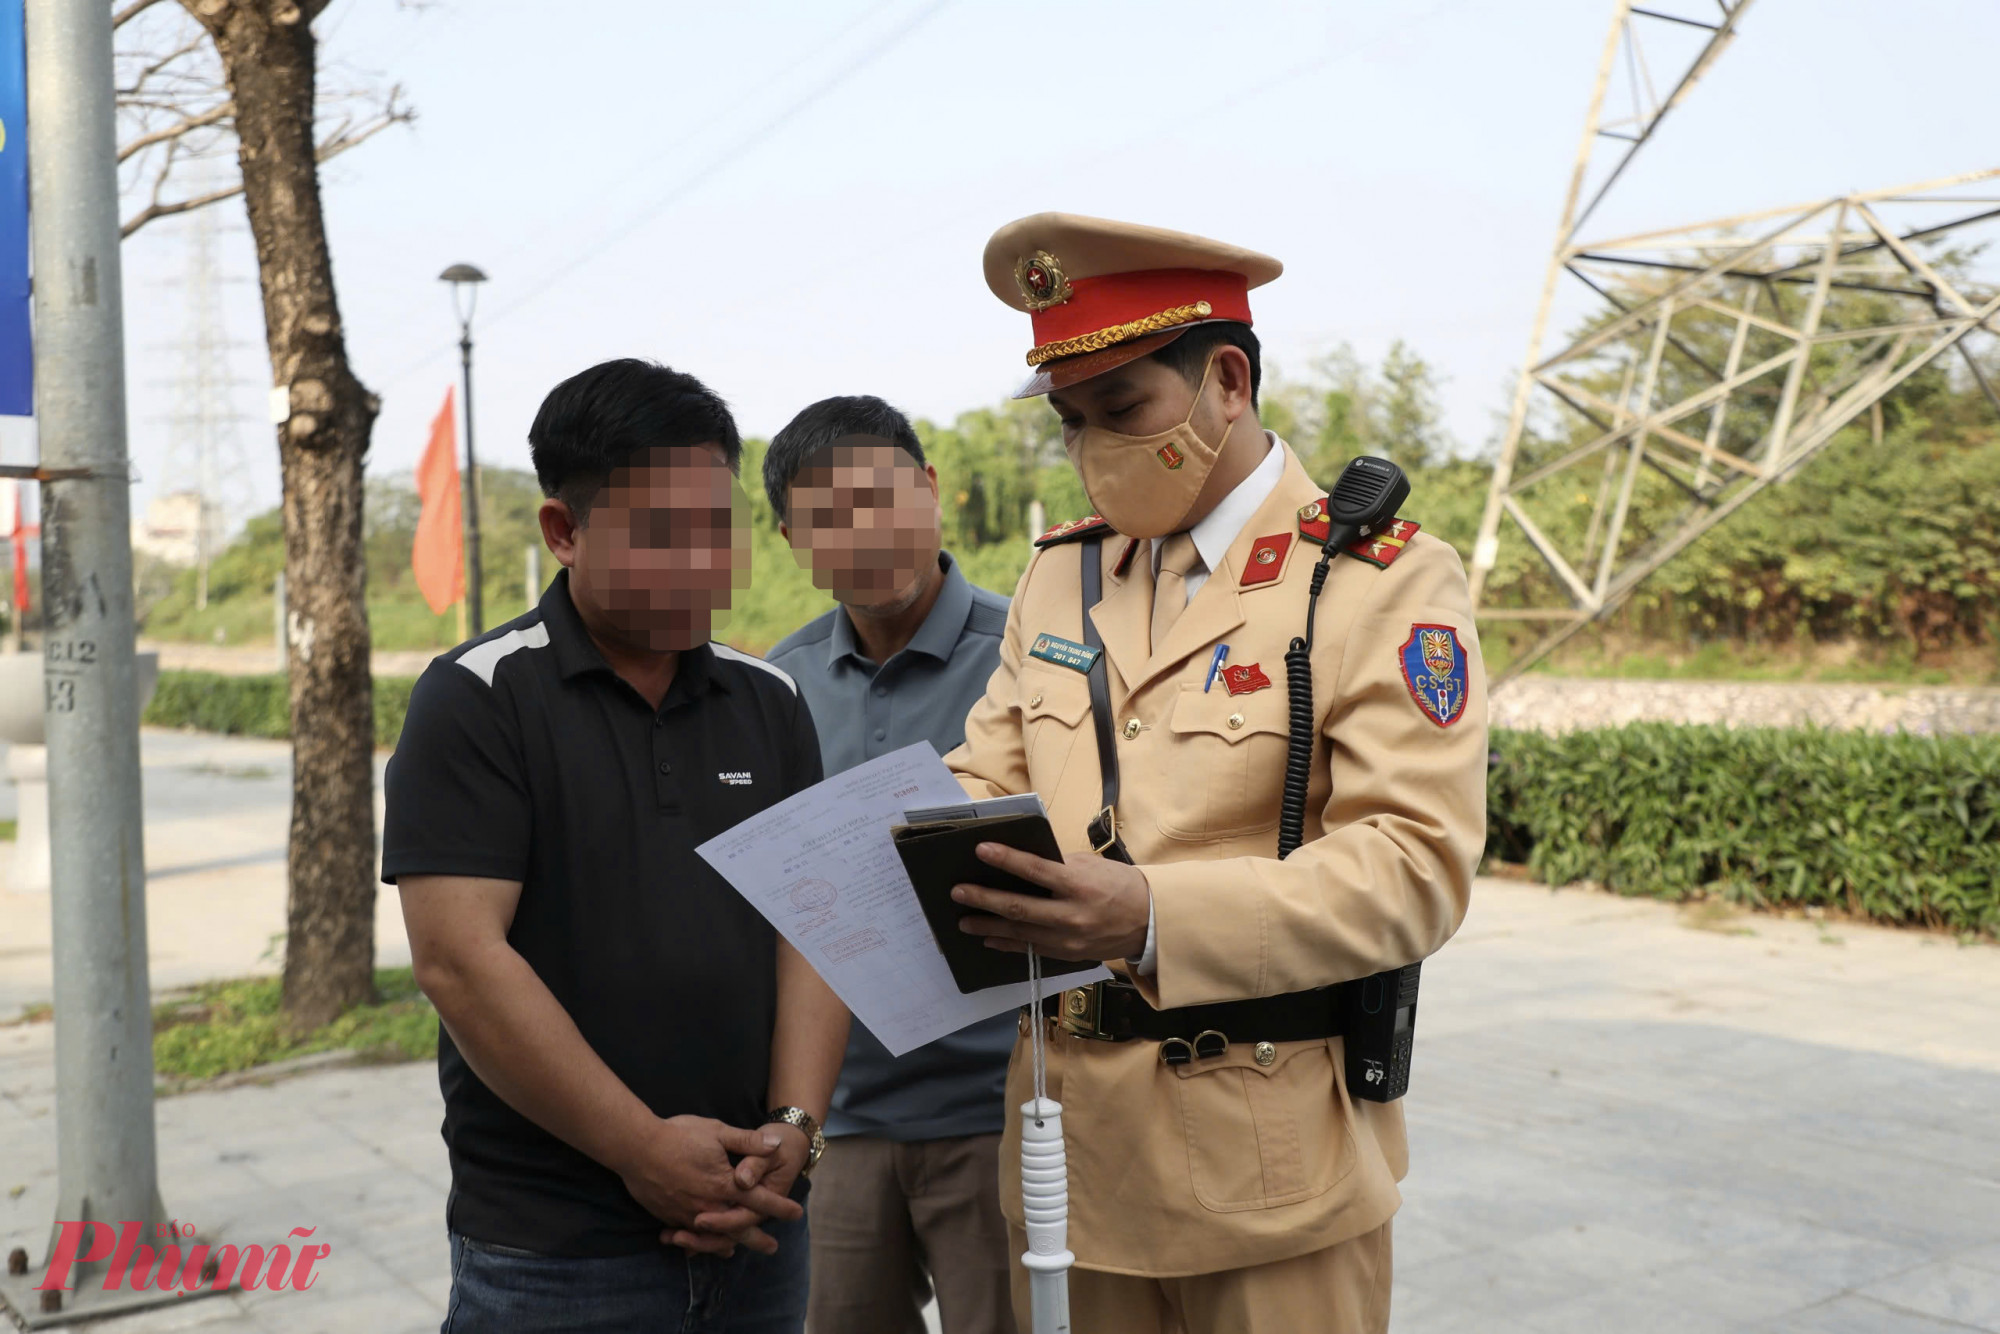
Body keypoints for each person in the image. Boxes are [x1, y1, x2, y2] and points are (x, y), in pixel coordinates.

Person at [942, 215, 1490, 1332]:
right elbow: (981, 778)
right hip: (1069, 1162)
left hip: (1268, 1171)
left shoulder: (1373, 579)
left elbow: (1414, 866)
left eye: (1120, 410)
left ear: (1224, 381)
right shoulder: (1061, 575)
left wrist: (1147, 914)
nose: (1091, 446)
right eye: (1068, 421)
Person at [383, 358, 850, 1334]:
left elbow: (813, 927)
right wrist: (639, 1148)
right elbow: (460, 959)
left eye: (718, 530)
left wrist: (794, 1128)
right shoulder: (478, 699)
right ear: (564, 530)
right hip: (557, 1248)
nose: (702, 565)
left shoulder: (770, 700)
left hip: (759, 1227)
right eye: (662, 536)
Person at [762, 396, 1020, 1334]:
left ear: (929, 490)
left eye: (880, 499)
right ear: (792, 538)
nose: (862, 535)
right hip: (843, 1123)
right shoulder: (776, 687)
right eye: (824, 518)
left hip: (1000, 1110)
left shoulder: (1032, 658)